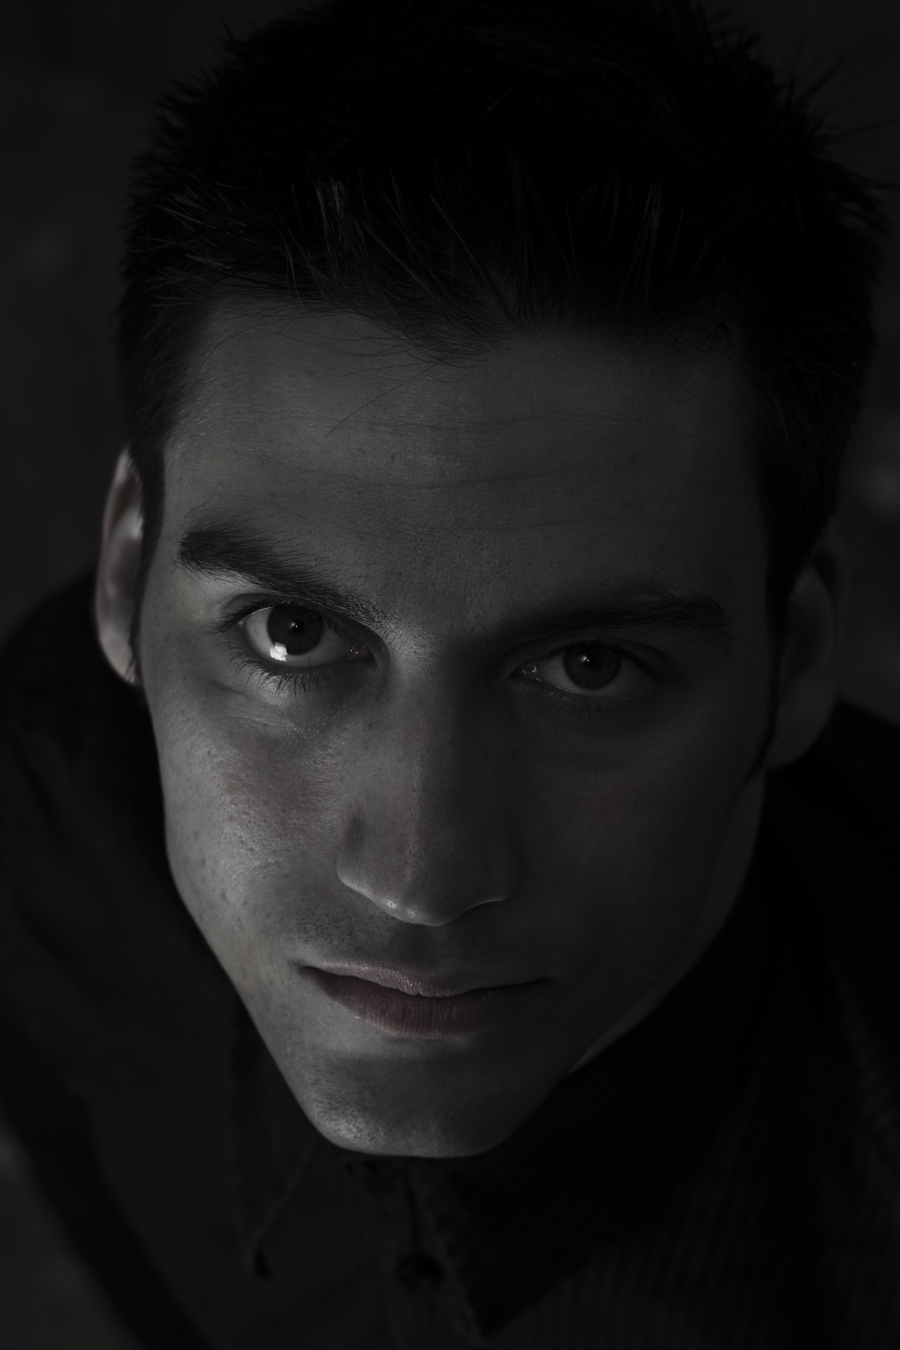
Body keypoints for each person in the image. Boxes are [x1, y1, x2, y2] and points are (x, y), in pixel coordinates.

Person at [1, 0, 898, 1345]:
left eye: (590, 666)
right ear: (127, 575)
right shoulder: (47, 808)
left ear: (802, 652)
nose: (419, 878)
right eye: (292, 636)